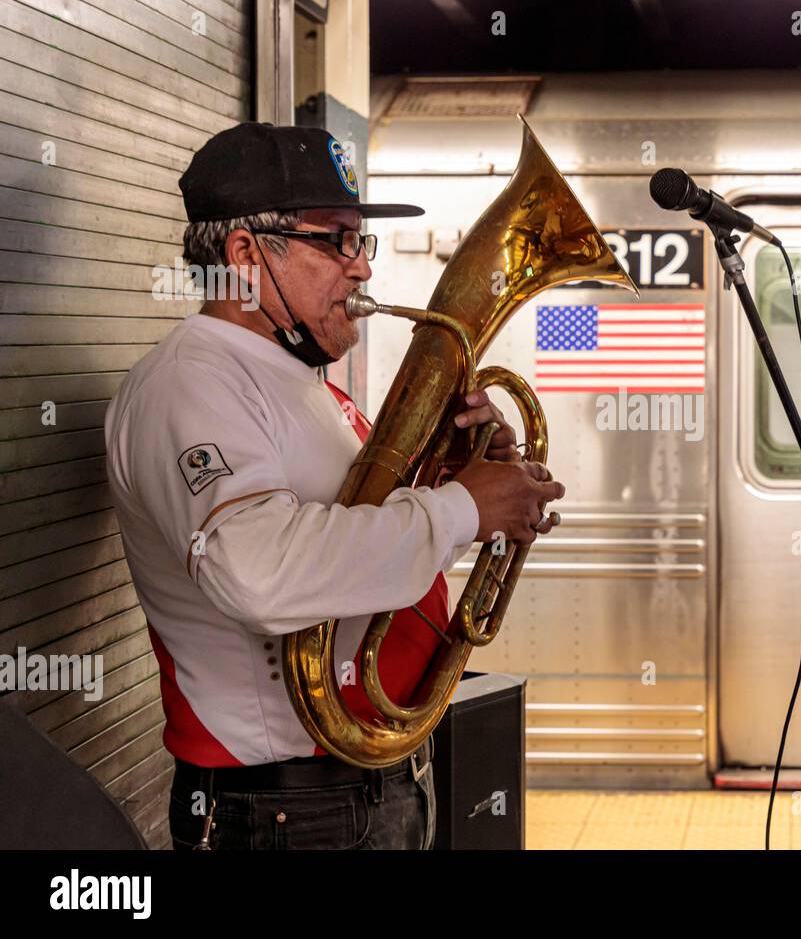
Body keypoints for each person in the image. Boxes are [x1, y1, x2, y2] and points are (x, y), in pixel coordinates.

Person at [105, 122, 564, 849]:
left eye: (361, 242)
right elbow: (258, 573)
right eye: (336, 240)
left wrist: (458, 475)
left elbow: (357, 555)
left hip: (364, 787)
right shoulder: (189, 384)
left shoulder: (298, 385)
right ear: (246, 255)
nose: (362, 270)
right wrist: (456, 508)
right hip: (287, 809)